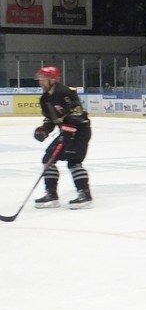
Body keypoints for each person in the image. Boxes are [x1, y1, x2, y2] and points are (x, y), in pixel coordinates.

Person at [32, 66, 93, 208]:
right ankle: (51, 195)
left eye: (43, 79)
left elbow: (77, 112)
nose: (40, 81)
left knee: (74, 161)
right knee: (48, 159)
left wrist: (70, 126)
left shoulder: (65, 92)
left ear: (52, 80)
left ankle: (85, 195)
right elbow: (50, 119)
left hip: (80, 131)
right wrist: (44, 130)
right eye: (40, 78)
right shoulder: (45, 98)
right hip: (66, 132)